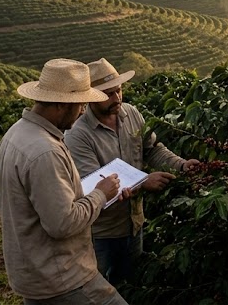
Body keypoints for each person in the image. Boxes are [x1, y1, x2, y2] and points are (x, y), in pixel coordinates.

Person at [0, 58, 128, 305]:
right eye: (80, 105)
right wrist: (101, 194)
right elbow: (63, 223)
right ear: (61, 104)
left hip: (37, 274)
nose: (82, 111)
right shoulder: (45, 151)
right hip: (63, 278)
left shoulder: (16, 133)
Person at [65, 57, 200, 286]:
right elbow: (93, 186)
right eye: (109, 94)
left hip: (134, 223)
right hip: (101, 232)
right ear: (92, 97)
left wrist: (181, 165)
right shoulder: (78, 135)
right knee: (99, 289)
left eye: (119, 90)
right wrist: (143, 183)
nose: (117, 98)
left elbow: (152, 149)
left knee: (131, 284)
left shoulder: (131, 114)